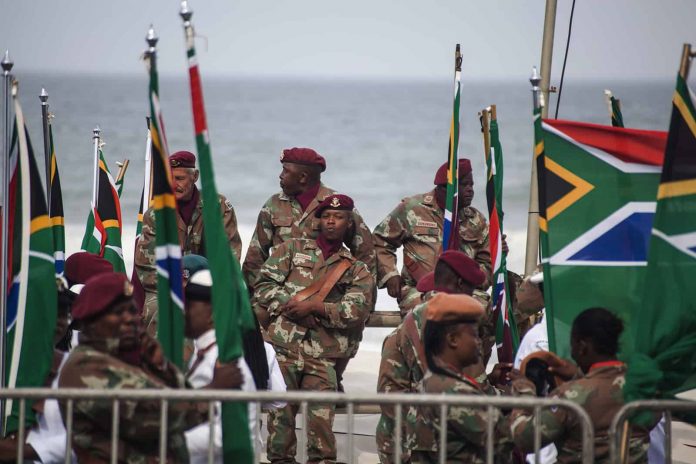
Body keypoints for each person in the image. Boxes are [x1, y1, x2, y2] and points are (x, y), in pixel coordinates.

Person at [58, 272, 242, 462]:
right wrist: (212, 391)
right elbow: (156, 416)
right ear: (92, 321)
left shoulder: (128, 360)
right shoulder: (85, 365)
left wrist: (161, 367)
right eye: (118, 312)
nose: (129, 319)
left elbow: (177, 394)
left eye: (131, 311)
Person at [243, 147, 376, 391]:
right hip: (280, 294)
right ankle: (264, 381)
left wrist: (362, 296)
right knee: (253, 332)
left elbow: (365, 251)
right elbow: (255, 256)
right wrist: (256, 297)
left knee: (344, 336)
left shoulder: (334, 204)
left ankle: (334, 377)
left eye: (286, 171)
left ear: (303, 177)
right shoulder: (273, 205)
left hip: (326, 296)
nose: (281, 176)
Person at [254, 194, 373, 464]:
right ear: (318, 221)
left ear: (349, 223)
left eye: (338, 217)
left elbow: (356, 310)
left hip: (323, 353)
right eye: (326, 216)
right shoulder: (291, 249)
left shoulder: (356, 268)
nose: (331, 221)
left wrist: (317, 309)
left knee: (321, 427)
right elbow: (263, 285)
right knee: (280, 423)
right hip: (284, 348)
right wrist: (292, 306)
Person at [375, 250, 491, 463]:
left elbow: (388, 390)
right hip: (432, 446)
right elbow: (478, 389)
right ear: (460, 284)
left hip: (397, 442)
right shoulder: (451, 327)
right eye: (471, 289)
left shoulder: (404, 326)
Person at [509, 307, 655, 462]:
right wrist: (578, 375)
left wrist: (524, 393)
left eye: (572, 345)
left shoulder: (570, 397)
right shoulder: (643, 388)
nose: (572, 353)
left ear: (582, 347)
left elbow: (526, 439)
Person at [134, 150, 242, 335]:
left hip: (210, 284)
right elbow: (146, 265)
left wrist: (204, 284)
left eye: (179, 178)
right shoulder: (155, 214)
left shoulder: (218, 207)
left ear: (195, 176)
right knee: (157, 312)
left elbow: (229, 256)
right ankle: (159, 353)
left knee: (230, 316)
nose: (173, 184)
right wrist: (175, 284)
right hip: (166, 286)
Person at [372, 158, 492, 315]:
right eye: (464, 185)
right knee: (430, 311)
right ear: (445, 188)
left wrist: (471, 280)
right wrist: (390, 275)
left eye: (472, 185)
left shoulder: (476, 220)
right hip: (418, 290)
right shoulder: (412, 208)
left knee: (483, 311)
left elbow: (487, 261)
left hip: (465, 290)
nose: (470, 190)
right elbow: (380, 241)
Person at [415, 293, 513, 463]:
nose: (479, 342)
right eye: (474, 335)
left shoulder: (437, 379)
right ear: (453, 339)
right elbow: (509, 437)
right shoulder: (453, 391)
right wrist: (526, 393)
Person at [183, 269, 257, 462]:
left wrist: (172, 442)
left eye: (190, 306)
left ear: (212, 313)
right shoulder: (204, 354)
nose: (184, 312)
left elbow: (227, 433)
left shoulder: (225, 364)